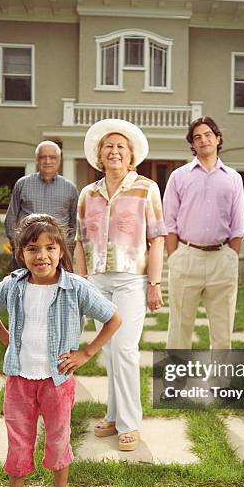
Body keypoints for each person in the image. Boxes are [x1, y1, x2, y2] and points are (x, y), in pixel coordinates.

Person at [0, 213, 121, 487]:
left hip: (57, 381)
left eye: (48, 248)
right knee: (18, 443)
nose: (41, 255)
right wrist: (9, 342)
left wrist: (86, 354)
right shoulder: (13, 285)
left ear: (61, 251)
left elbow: (113, 318)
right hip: (19, 380)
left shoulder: (75, 288)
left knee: (58, 440)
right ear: (21, 253)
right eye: (32, 249)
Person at [75, 119, 166, 451]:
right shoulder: (88, 193)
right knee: (110, 351)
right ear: (99, 155)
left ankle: (130, 424)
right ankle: (114, 416)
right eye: (108, 146)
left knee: (125, 348)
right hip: (97, 282)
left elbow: (157, 240)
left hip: (131, 280)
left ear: (131, 156)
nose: (114, 151)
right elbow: (80, 241)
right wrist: (81, 283)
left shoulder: (146, 188)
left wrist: (154, 284)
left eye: (121, 147)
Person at [163, 116, 244, 350]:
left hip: (222, 259)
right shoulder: (179, 176)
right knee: (179, 329)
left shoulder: (233, 178)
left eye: (208, 134)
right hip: (187, 257)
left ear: (218, 139)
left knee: (222, 333)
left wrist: (231, 255)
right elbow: (168, 221)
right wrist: (175, 255)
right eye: (197, 137)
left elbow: (238, 223)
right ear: (192, 144)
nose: (203, 140)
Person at [5, 141, 79, 262]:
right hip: (27, 252)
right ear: (36, 160)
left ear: (59, 160)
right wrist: (19, 247)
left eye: (52, 157)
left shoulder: (70, 188)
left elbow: (75, 224)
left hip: (58, 255)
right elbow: (10, 219)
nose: (47, 161)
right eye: (43, 157)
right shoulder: (22, 184)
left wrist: (64, 249)